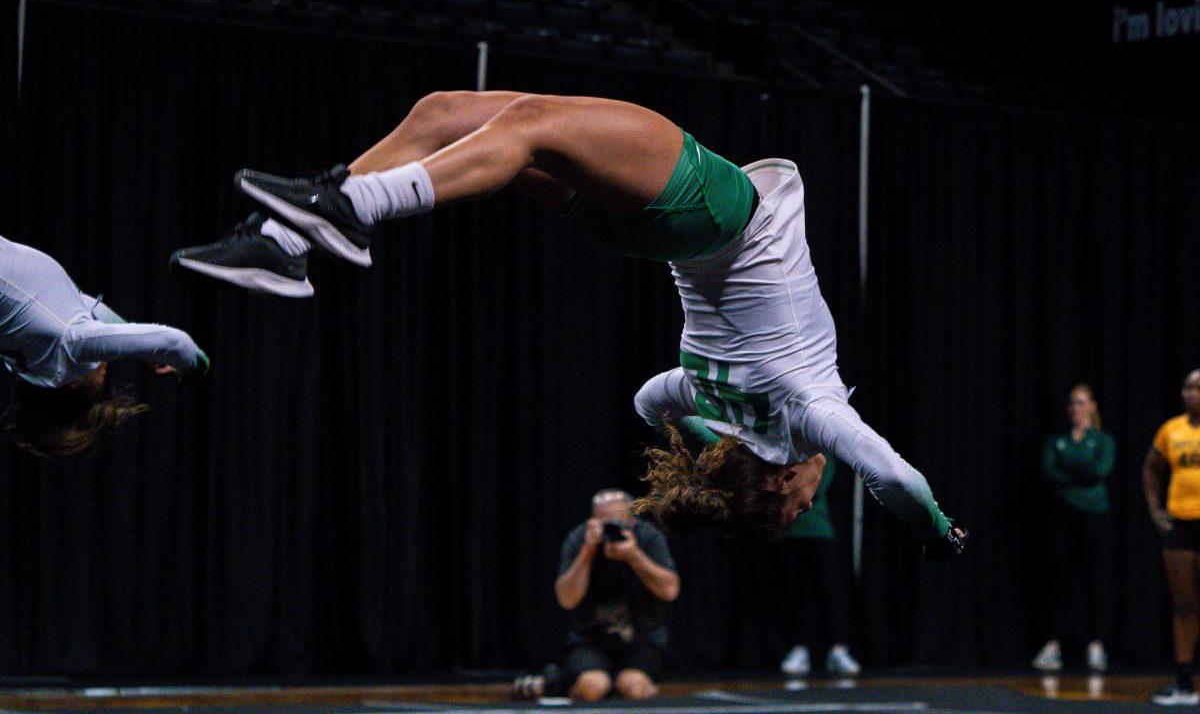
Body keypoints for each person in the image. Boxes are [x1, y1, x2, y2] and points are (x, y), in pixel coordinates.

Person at [171, 91, 966, 552]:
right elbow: (649, 406)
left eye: (799, 503)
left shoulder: (806, 414)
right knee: (450, 113)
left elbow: (893, 477)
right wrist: (704, 450)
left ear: (789, 478)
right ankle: (282, 243)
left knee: (529, 128)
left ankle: (352, 212)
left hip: (710, 211)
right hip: (637, 231)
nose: (816, 492)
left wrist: (937, 528)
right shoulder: (706, 397)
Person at [0, 235, 209, 457]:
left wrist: (194, 371)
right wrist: (143, 351)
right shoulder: (30, 366)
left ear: (74, 384)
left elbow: (175, 343)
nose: (105, 367)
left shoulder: (68, 351)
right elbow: (85, 305)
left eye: (100, 382)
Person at [554, 488, 678, 701]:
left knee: (633, 686)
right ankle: (565, 685)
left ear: (632, 520)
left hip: (643, 638)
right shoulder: (580, 538)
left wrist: (634, 556)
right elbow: (566, 600)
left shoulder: (647, 536)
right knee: (592, 687)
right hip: (590, 640)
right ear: (593, 521)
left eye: (619, 520)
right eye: (605, 522)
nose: (612, 527)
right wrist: (587, 553)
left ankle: (645, 689)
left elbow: (670, 591)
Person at [1031, 384, 1115, 673]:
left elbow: (1098, 471)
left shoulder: (1103, 441)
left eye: (1080, 403)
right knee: (1058, 581)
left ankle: (1096, 645)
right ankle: (1053, 646)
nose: (1075, 409)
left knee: (1095, 580)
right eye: (1071, 403)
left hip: (1094, 518)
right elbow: (1049, 472)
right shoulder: (1056, 441)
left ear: (1092, 407)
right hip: (1062, 519)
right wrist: (1078, 471)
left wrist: (1072, 469)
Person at [775, 454, 861, 677]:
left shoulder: (821, 453)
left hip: (820, 530)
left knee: (829, 589)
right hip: (787, 531)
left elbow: (814, 487)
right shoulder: (782, 450)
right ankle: (799, 649)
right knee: (794, 591)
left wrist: (794, 489)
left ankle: (838, 649)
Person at [1145, 369, 1200, 706]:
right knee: (1184, 608)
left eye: (1198, 388)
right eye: (1187, 387)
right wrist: (1155, 510)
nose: (1191, 393)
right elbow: (1151, 468)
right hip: (1180, 524)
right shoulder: (1171, 429)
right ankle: (1183, 682)